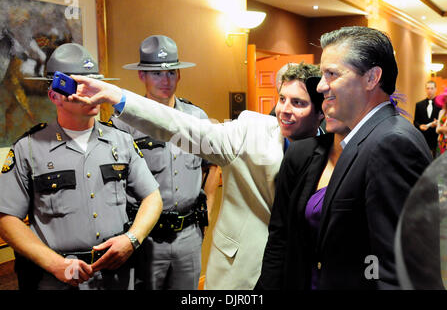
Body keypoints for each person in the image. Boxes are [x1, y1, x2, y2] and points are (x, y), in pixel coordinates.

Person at [68, 62, 325, 289]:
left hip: (302, 272)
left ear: (320, 111)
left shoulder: (332, 153)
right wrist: (117, 97)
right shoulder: (250, 133)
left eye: (298, 103)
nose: (284, 110)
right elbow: (182, 127)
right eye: (282, 99)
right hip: (244, 271)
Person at [0, 43, 163, 290]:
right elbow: (6, 218)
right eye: (80, 86)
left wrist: (132, 239)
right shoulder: (29, 148)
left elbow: (153, 197)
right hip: (55, 280)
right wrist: (55, 263)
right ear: (54, 95)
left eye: (95, 84)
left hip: (115, 278)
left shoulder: (121, 141)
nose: (92, 92)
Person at [311, 26, 432, 289]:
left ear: (371, 78)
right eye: (323, 74)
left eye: (332, 74)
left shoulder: (391, 143)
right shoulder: (367, 137)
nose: (321, 86)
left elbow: (398, 269)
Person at [112, 35, 219, 290]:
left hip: (189, 234)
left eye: (171, 73)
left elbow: (212, 165)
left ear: (179, 75)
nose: (165, 81)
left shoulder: (196, 118)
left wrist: (207, 214)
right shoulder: (124, 123)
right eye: (157, 74)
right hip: (147, 238)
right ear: (142, 76)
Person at [256, 113, 350, 290]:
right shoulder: (302, 153)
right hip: (303, 279)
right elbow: (280, 236)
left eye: (299, 102)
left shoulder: (384, 149)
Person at [414, 80, 441, 157]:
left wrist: (438, 123)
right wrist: (419, 126)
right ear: (425, 89)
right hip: (424, 138)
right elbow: (415, 121)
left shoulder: (441, 105)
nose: (430, 90)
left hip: (436, 138)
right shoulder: (419, 104)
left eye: (432, 88)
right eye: (428, 88)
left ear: (436, 89)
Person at [435, 88, 447, 156]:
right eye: (445, 97)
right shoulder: (441, 112)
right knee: (438, 163)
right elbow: (437, 130)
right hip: (440, 142)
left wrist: (441, 129)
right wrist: (442, 129)